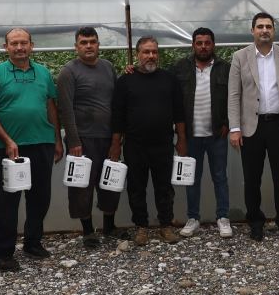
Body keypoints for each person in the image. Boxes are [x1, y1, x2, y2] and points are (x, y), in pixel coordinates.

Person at [0, 28, 63, 271]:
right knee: (7, 202)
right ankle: (4, 254)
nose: (19, 47)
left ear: (31, 45)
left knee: (40, 198)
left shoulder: (43, 72)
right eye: (14, 43)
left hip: (42, 143)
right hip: (9, 149)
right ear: (6, 47)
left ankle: (32, 242)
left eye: (24, 43)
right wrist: (7, 140)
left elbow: (51, 106)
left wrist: (57, 139)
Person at [228, 12, 279, 242]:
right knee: (252, 179)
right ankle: (255, 222)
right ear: (252, 31)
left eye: (268, 26)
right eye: (260, 26)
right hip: (251, 127)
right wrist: (234, 128)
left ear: (273, 30)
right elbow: (234, 95)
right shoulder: (240, 57)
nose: (264, 30)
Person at [111, 36, 186, 246]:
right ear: (138, 55)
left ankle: (165, 226)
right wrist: (115, 144)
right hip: (135, 145)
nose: (151, 56)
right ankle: (141, 227)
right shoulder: (125, 81)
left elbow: (179, 112)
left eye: (154, 52)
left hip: (163, 143)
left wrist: (182, 139)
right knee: (136, 187)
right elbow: (117, 116)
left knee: (165, 187)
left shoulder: (169, 79)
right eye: (146, 52)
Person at [56, 27, 121, 248]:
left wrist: (117, 138)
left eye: (92, 41)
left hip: (108, 138)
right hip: (82, 139)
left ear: (98, 45)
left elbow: (117, 102)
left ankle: (109, 226)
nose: (89, 46)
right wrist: (74, 141)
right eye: (83, 42)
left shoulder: (108, 67)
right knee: (82, 187)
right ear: (76, 47)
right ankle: (88, 231)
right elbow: (65, 109)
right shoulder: (68, 72)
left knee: (111, 183)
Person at [170, 28, 233, 239]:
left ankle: (223, 217)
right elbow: (166, 91)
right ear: (193, 45)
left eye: (207, 42)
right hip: (190, 135)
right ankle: (193, 218)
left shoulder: (225, 68)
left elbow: (235, 97)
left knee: (220, 177)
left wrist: (228, 123)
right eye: (199, 43)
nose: (203, 46)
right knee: (192, 179)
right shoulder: (180, 68)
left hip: (217, 135)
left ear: (213, 45)